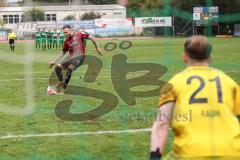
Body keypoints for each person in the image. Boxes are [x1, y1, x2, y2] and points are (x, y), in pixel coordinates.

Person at [150, 36, 240, 160]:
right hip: (232, 152)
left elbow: (162, 123)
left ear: (185, 57)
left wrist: (154, 157)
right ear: (210, 57)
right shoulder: (230, 82)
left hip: (189, 153)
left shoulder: (173, 83)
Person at [48, 25, 103, 95]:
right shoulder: (66, 41)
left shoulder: (79, 34)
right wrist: (54, 61)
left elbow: (92, 37)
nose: (65, 34)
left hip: (80, 56)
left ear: (70, 30)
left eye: (66, 32)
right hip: (71, 57)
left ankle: (63, 89)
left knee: (69, 69)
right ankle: (61, 82)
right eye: (64, 33)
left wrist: (97, 48)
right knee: (57, 68)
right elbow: (63, 52)